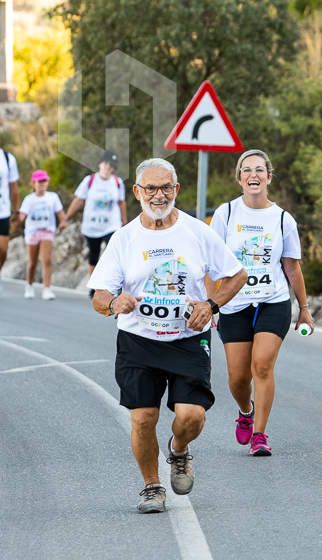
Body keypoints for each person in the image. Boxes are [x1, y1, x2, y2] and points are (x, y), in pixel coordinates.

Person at [88, 158, 247, 513]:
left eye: (165, 188)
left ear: (176, 189)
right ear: (137, 192)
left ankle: (178, 450)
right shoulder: (124, 238)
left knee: (192, 417)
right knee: (143, 418)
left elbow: (237, 275)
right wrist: (115, 301)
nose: (158, 195)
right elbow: (98, 296)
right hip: (138, 341)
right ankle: (151, 486)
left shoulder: (197, 232)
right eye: (151, 188)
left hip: (187, 339)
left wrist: (211, 304)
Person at [209, 149, 314, 457]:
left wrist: (304, 309)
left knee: (262, 366)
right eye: (246, 170)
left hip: (273, 301)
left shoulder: (283, 219)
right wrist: (211, 303)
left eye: (259, 170)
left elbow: (292, 266)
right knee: (237, 377)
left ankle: (260, 434)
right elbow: (210, 264)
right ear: (239, 177)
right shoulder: (225, 214)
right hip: (233, 303)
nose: (253, 175)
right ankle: (245, 410)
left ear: (269, 177)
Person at [64, 150, 128, 297]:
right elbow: (78, 200)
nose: (108, 168)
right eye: (106, 164)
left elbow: (121, 203)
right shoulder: (90, 181)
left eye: (111, 166)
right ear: (100, 164)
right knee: (94, 257)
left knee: (114, 254)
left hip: (111, 226)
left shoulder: (117, 183)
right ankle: (94, 286)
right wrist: (67, 217)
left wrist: (125, 223)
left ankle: (117, 286)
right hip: (92, 227)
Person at [18, 170, 66, 300]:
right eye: (40, 181)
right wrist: (17, 219)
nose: (42, 184)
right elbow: (22, 216)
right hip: (32, 232)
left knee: (47, 260)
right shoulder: (29, 199)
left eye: (45, 181)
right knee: (32, 262)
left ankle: (47, 289)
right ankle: (29, 285)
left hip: (47, 231)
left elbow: (60, 213)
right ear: (33, 183)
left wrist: (63, 221)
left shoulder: (52, 197)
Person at [0, 147, 20, 288]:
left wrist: (16, 209)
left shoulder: (7, 158)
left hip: (3, 211)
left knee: (3, 250)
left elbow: (13, 187)